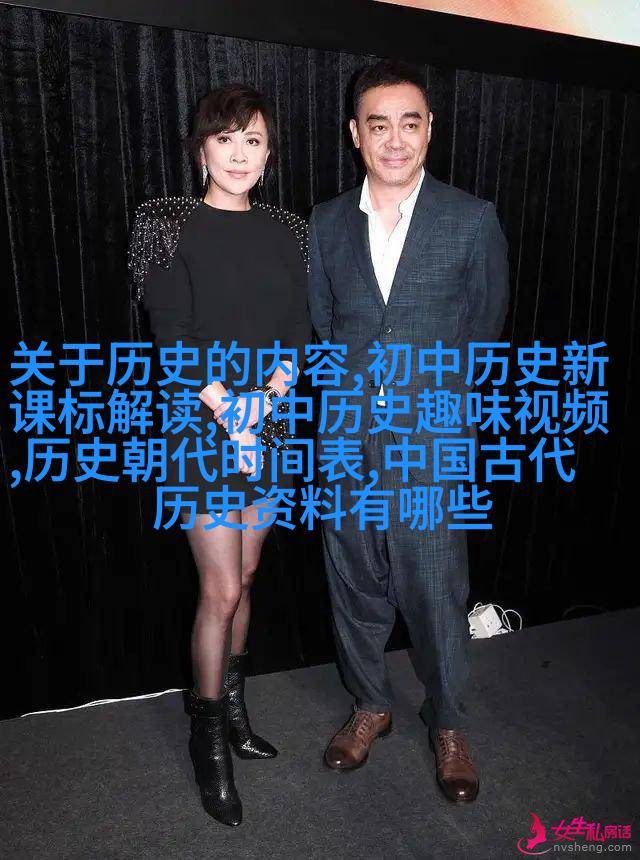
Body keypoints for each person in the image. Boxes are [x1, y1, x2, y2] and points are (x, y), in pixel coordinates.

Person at [308, 60, 509, 802]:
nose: (395, 139)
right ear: (355, 135)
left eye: (410, 122)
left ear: (429, 131)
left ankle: (449, 720)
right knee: (353, 581)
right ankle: (371, 704)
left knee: (435, 588)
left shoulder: (471, 218)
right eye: (379, 124)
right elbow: (325, 325)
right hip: (346, 434)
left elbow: (483, 332)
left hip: (431, 439)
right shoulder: (327, 222)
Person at [128, 83, 310, 826]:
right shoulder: (164, 222)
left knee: (251, 576)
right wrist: (229, 407)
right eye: (226, 138)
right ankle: (207, 742)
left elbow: (298, 329)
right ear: (201, 147)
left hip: (268, 422)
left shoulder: (290, 230)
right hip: (199, 426)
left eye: (254, 140)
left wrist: (269, 398)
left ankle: (234, 709)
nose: (240, 153)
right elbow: (169, 333)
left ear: (270, 152)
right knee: (221, 589)